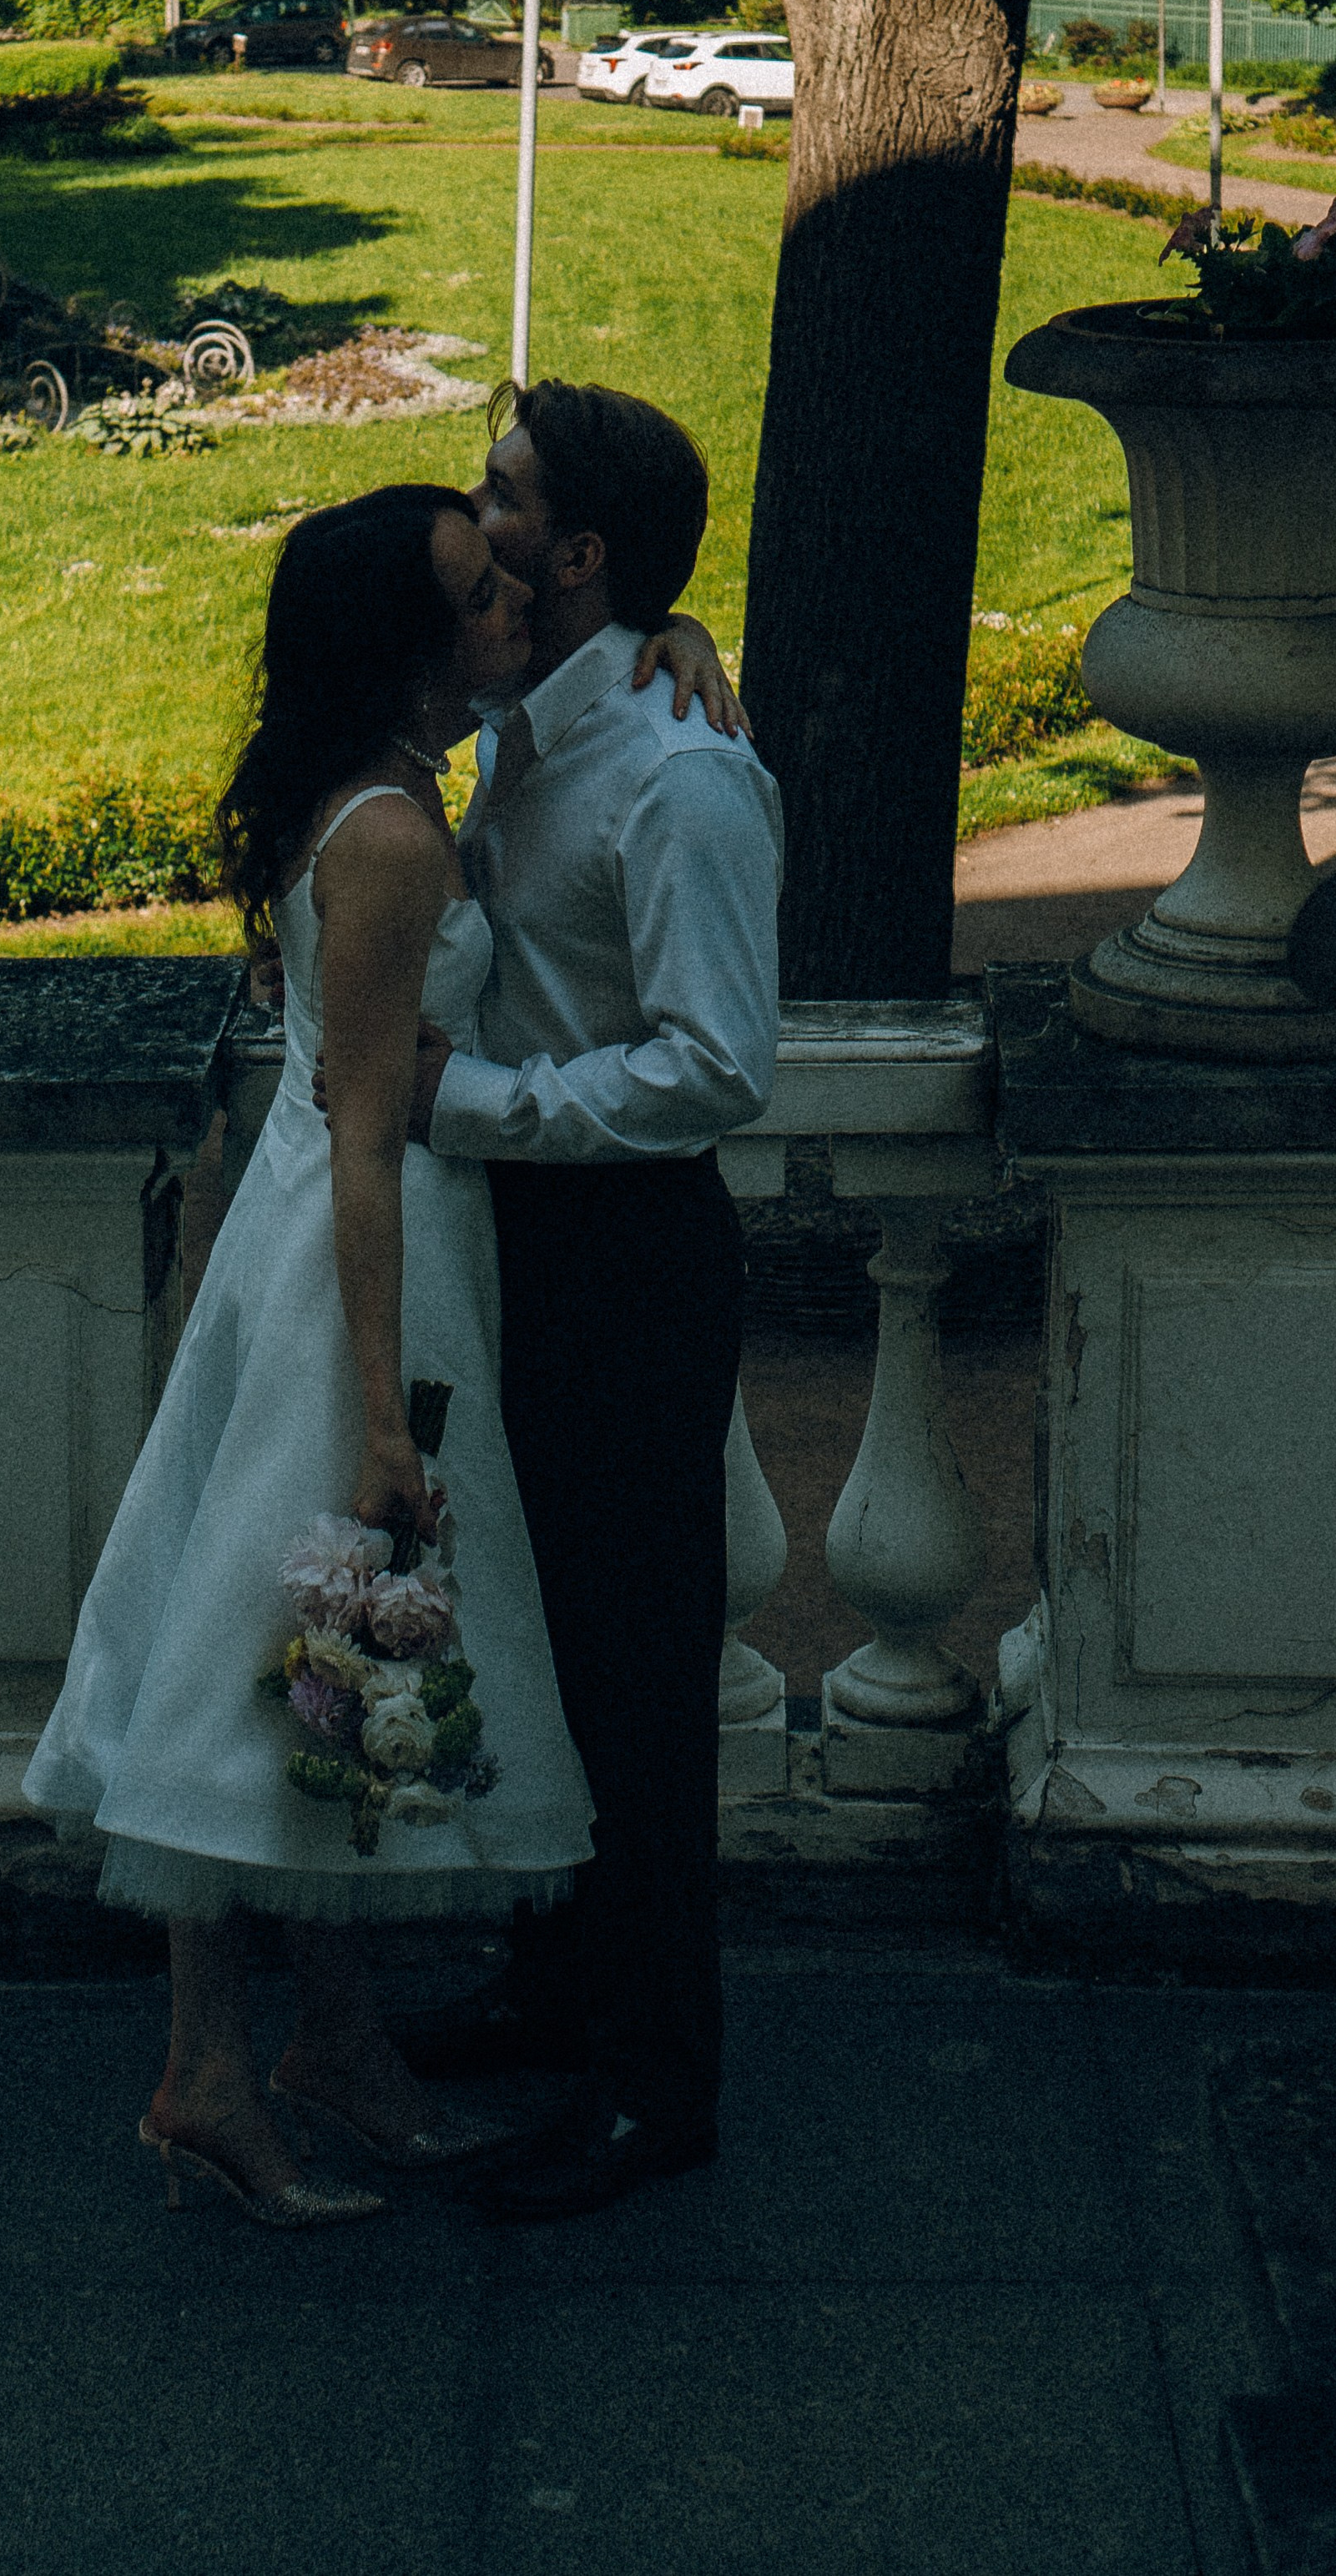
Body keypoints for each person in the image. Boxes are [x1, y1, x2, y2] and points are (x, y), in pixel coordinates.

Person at [23, 484, 599, 2229]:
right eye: (475, 595)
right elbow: (362, 1133)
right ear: (403, 650)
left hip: (324, 1256)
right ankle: (209, 2068)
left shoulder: (396, 793)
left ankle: (327, 2047)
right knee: (267, 1657)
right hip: (364, 1274)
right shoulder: (391, 842)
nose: (510, 601)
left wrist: (669, 638)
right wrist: (374, 1412)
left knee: (305, 1659)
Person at [394, 378, 783, 2224]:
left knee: (632, 1679)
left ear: (582, 550)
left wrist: (467, 1108)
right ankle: (555, 1986)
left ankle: (657, 2083)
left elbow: (717, 1066)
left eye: (506, 490)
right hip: (518, 1245)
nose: (479, 512)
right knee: (534, 1645)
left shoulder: (679, 772)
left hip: (622, 1257)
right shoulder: (532, 728)